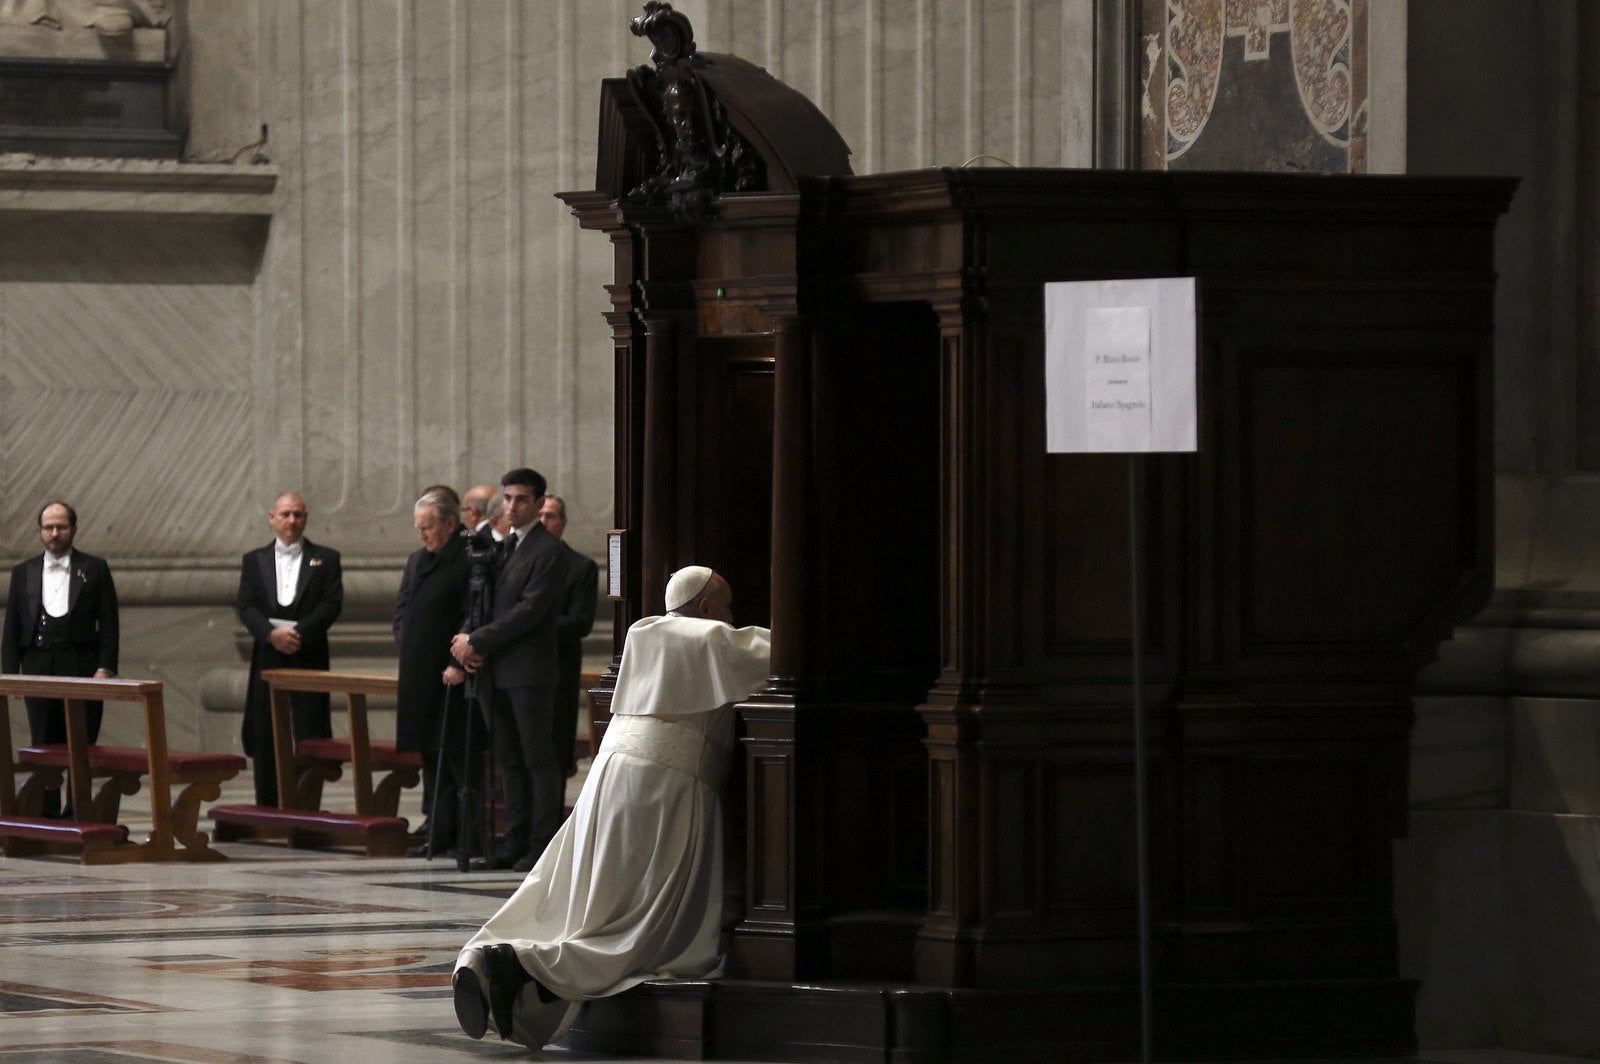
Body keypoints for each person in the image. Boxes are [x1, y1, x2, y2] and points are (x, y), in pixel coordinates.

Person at [452, 566, 770, 1052]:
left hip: (610, 776)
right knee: (645, 921)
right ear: (707, 608)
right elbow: (789, 655)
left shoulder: (643, 632)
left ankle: (496, 956)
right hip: (669, 787)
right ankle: (528, 965)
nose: (731, 616)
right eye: (726, 606)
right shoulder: (713, 638)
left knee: (579, 890)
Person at [450, 468, 570, 872]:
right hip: (494, 671)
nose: (512, 506)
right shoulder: (501, 548)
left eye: (521, 499)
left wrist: (479, 640)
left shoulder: (548, 551)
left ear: (539, 503)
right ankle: (513, 841)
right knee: (508, 759)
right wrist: (466, 640)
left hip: (529, 672)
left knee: (538, 759)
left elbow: (529, 611)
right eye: (507, 498)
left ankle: (542, 845)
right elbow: (483, 604)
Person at [1, 501, 119, 818]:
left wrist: (105, 668)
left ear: (73, 530)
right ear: (40, 530)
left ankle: (77, 810)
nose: (55, 533)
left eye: (61, 527)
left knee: (81, 742)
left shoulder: (94, 568)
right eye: (48, 527)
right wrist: (10, 673)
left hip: (81, 665)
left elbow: (109, 624)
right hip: (38, 666)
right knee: (43, 740)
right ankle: (46, 810)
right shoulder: (24, 572)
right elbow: (11, 625)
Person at [236, 492, 343, 807]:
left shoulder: (327, 558)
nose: (292, 521)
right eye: (285, 514)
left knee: (309, 729)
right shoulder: (253, 560)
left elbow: (332, 603)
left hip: (308, 652)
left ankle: (305, 806)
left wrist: (297, 633)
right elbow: (246, 605)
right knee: (266, 729)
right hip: (268, 655)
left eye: (298, 514)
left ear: (306, 518)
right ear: (272, 517)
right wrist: (271, 635)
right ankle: (267, 805)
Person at [393, 486, 470, 855]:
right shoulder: (419, 559)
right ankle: (436, 834)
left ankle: (462, 837)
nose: (422, 534)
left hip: (449, 676)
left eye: (428, 527)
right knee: (429, 755)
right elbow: (404, 611)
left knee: (453, 758)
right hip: (420, 674)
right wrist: (408, 643)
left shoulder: (465, 559)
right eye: (418, 527)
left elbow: (472, 615)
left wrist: (457, 662)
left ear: (450, 524)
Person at [538, 495, 598, 777]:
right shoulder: (515, 560)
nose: (543, 521)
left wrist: (530, 622)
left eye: (550, 516)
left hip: (559, 668)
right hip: (518, 668)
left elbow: (580, 622)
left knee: (554, 750)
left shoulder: (579, 566)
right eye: (538, 515)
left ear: (562, 523)